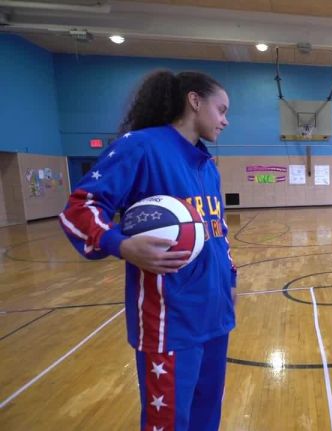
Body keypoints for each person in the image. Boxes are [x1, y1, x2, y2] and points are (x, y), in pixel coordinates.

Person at [59, 70, 237, 431]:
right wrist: (120, 243)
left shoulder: (208, 167)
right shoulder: (139, 147)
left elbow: (218, 231)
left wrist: (230, 275)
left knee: (207, 416)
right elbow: (78, 209)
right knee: (169, 422)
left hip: (215, 315)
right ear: (195, 101)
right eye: (221, 109)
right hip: (169, 321)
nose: (225, 120)